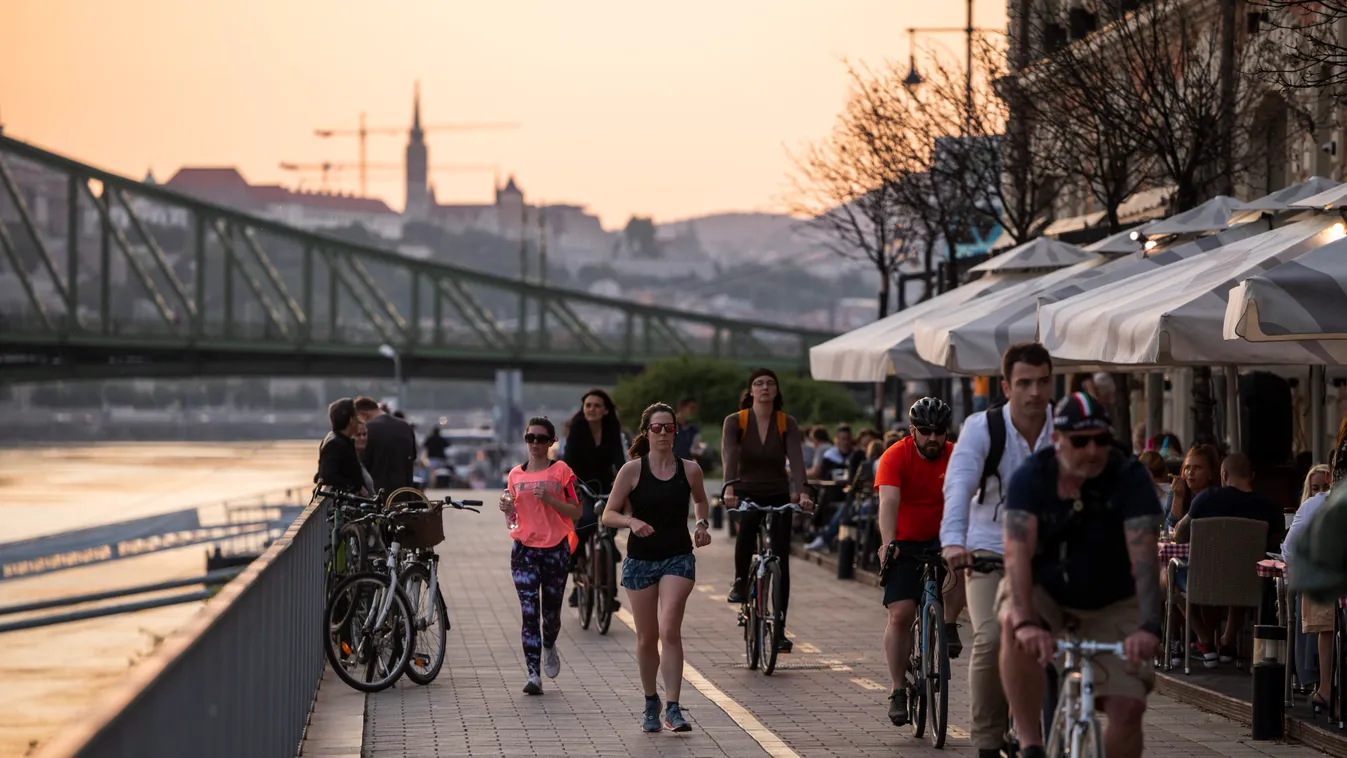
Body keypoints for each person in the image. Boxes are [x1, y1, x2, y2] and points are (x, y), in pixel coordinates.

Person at [998, 392, 1162, 758]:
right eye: (1080, 441)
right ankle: (1030, 743)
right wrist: (1026, 622)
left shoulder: (1129, 477)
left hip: (1114, 598)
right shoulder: (1032, 478)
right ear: (1057, 440)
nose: (1092, 450)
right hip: (1046, 590)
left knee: (1129, 708)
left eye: (1101, 440)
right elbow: (1016, 555)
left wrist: (1148, 627)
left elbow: (1146, 561)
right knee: (1011, 622)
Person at [939, 341, 1055, 758]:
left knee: (1059, 640)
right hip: (989, 550)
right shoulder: (983, 428)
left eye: (1043, 382)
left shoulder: (1063, 430)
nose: (1035, 392)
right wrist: (953, 542)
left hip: (1048, 553)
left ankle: (1056, 728)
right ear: (1006, 386)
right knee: (990, 637)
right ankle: (988, 741)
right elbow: (959, 487)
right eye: (1024, 383)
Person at [602, 403, 712, 733]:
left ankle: (674, 708)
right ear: (646, 432)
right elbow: (607, 514)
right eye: (657, 428)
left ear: (676, 431)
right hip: (640, 562)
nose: (663, 433)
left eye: (669, 427)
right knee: (647, 638)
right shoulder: (631, 470)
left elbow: (701, 501)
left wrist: (702, 524)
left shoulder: (690, 469)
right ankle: (652, 701)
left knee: (669, 630)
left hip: (677, 556)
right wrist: (631, 521)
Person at [875, 397, 963, 726]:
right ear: (913, 431)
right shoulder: (895, 455)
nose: (932, 438)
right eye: (925, 431)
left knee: (958, 560)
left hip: (945, 535)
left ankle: (950, 623)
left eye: (939, 431)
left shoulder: (956, 456)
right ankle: (899, 688)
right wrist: (887, 544)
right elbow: (889, 501)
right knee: (900, 614)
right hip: (904, 541)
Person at [721, 367, 814, 654]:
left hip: (777, 491)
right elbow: (730, 455)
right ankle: (739, 581)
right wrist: (729, 487)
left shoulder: (787, 423)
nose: (764, 388)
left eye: (770, 383)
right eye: (759, 383)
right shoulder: (736, 421)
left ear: (776, 391)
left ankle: (780, 629)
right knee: (748, 524)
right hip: (745, 489)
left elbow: (796, 459)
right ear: (750, 391)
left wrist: (803, 491)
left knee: (781, 557)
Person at [1165, 453, 1285, 667]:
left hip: (1204, 580)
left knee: (1170, 576)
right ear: (1253, 476)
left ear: (1224, 474)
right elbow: (1277, 547)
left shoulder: (1207, 498)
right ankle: (1228, 641)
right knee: (1243, 569)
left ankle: (1204, 640)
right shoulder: (1270, 507)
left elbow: (1180, 534)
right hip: (1250, 583)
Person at [498, 417, 583, 695]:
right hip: (524, 551)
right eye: (530, 438)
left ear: (552, 441)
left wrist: (550, 499)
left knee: (551, 615)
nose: (535, 443)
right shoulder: (515, 475)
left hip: (555, 549)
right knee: (529, 612)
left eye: (541, 438)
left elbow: (576, 511)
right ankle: (533, 673)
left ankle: (549, 644)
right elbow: (514, 519)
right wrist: (507, 508)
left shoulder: (561, 471)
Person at [563, 389, 628, 605]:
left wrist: (623, 477)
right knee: (588, 520)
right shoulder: (577, 428)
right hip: (581, 484)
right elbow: (569, 459)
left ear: (605, 410)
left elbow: (619, 458)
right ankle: (577, 573)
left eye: (597, 406)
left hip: (607, 484)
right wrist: (571, 485)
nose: (592, 409)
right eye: (588, 405)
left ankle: (609, 595)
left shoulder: (611, 428)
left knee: (611, 520)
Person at [354, 396, 417, 499]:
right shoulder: (405, 426)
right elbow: (413, 457)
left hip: (377, 497)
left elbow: (362, 463)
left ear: (364, 414)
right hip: (405, 495)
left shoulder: (367, 430)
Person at [316, 397, 367, 493]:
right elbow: (327, 476)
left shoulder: (343, 441)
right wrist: (356, 486)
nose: (358, 420)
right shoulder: (335, 444)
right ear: (351, 420)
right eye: (356, 416)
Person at [1169, 444, 1219, 529]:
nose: (1190, 473)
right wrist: (1178, 498)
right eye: (1187, 468)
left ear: (1210, 473)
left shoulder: (1217, 496)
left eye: (1197, 468)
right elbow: (1170, 530)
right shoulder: (1176, 492)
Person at [353, 420, 375, 496]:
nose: (362, 438)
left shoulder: (358, 460)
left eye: (364, 434)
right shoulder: (349, 462)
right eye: (358, 435)